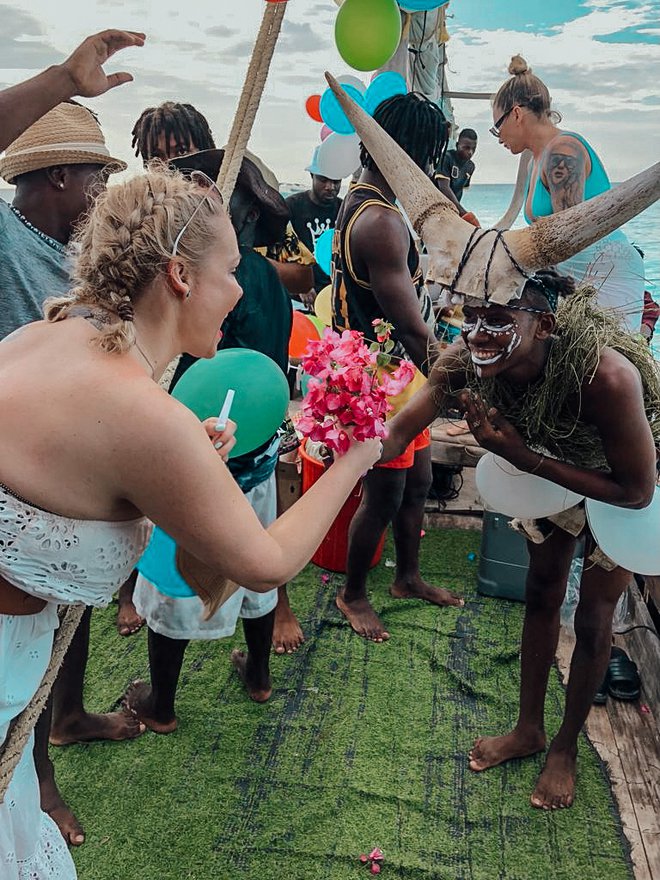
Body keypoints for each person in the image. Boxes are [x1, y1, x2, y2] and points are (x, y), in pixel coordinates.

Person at [0, 152, 382, 876]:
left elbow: (74, 462)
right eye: (232, 270)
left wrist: (178, 456)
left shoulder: (37, 338)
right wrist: (358, 454)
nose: (241, 290)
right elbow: (263, 563)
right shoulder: (146, 415)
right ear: (180, 276)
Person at [383, 268, 660, 810]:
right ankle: (528, 728)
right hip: (546, 466)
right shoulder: (468, 361)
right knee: (541, 589)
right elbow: (400, 428)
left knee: (594, 615)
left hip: (625, 478)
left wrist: (520, 455)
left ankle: (565, 748)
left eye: (500, 319)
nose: (480, 332)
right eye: (473, 317)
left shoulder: (607, 379)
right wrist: (346, 439)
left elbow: (636, 491)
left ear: (545, 326)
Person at [0, 28, 146, 853]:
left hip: (66, 473)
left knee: (70, 609)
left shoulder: (77, 258)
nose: (101, 187)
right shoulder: (2, 234)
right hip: (10, 474)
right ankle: (35, 776)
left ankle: (69, 719)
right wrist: (62, 79)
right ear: (56, 175)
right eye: (95, 173)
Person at [124, 147, 293, 729]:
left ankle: (163, 705)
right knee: (255, 563)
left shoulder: (204, 284)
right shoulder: (267, 278)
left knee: (176, 581)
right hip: (258, 454)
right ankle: (260, 675)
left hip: (205, 453)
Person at [330, 92, 464, 643]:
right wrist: (459, 379)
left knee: (422, 481)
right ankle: (353, 592)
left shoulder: (365, 198)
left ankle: (407, 577)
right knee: (383, 494)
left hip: (394, 370)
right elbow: (411, 329)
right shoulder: (381, 221)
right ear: (411, 157)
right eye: (429, 156)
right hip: (373, 376)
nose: (432, 169)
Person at [491, 55, 645, 332]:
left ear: (516, 114)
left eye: (497, 126)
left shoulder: (564, 150)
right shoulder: (533, 158)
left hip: (605, 275)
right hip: (573, 278)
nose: (498, 136)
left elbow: (568, 239)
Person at [131, 100, 315, 301]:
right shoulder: (140, 217)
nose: (170, 165)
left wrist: (238, 262)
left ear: (206, 151)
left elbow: (303, 278)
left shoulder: (245, 204)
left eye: (182, 151)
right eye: (157, 157)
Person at [286, 149, 342, 299]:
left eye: (336, 181)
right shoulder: (292, 206)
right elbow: (281, 248)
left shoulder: (344, 209)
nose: (330, 187)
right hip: (298, 297)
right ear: (312, 176)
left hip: (332, 294)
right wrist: (300, 286)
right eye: (323, 180)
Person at [439, 127, 477, 202]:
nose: (470, 152)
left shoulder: (470, 166)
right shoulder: (447, 158)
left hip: (453, 208)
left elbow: (459, 190)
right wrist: (461, 211)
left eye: (473, 148)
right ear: (457, 145)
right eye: (466, 148)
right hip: (437, 203)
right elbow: (444, 188)